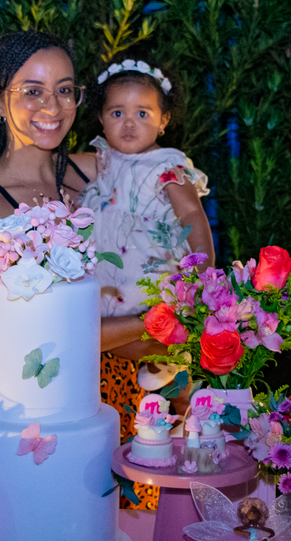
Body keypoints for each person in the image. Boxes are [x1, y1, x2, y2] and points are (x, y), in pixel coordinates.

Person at [80, 58, 214, 509]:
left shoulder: (166, 165)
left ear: (164, 121)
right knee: (111, 341)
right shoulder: (101, 161)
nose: (129, 123)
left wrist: (202, 272)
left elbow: (192, 215)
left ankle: (183, 396)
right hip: (109, 280)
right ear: (101, 119)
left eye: (143, 113)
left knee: (158, 334)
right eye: (117, 112)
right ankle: (163, 394)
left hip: (150, 273)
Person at [0, 30, 97, 284]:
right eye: (33, 92)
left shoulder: (96, 170)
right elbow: (9, 307)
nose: (53, 107)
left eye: (64, 89)